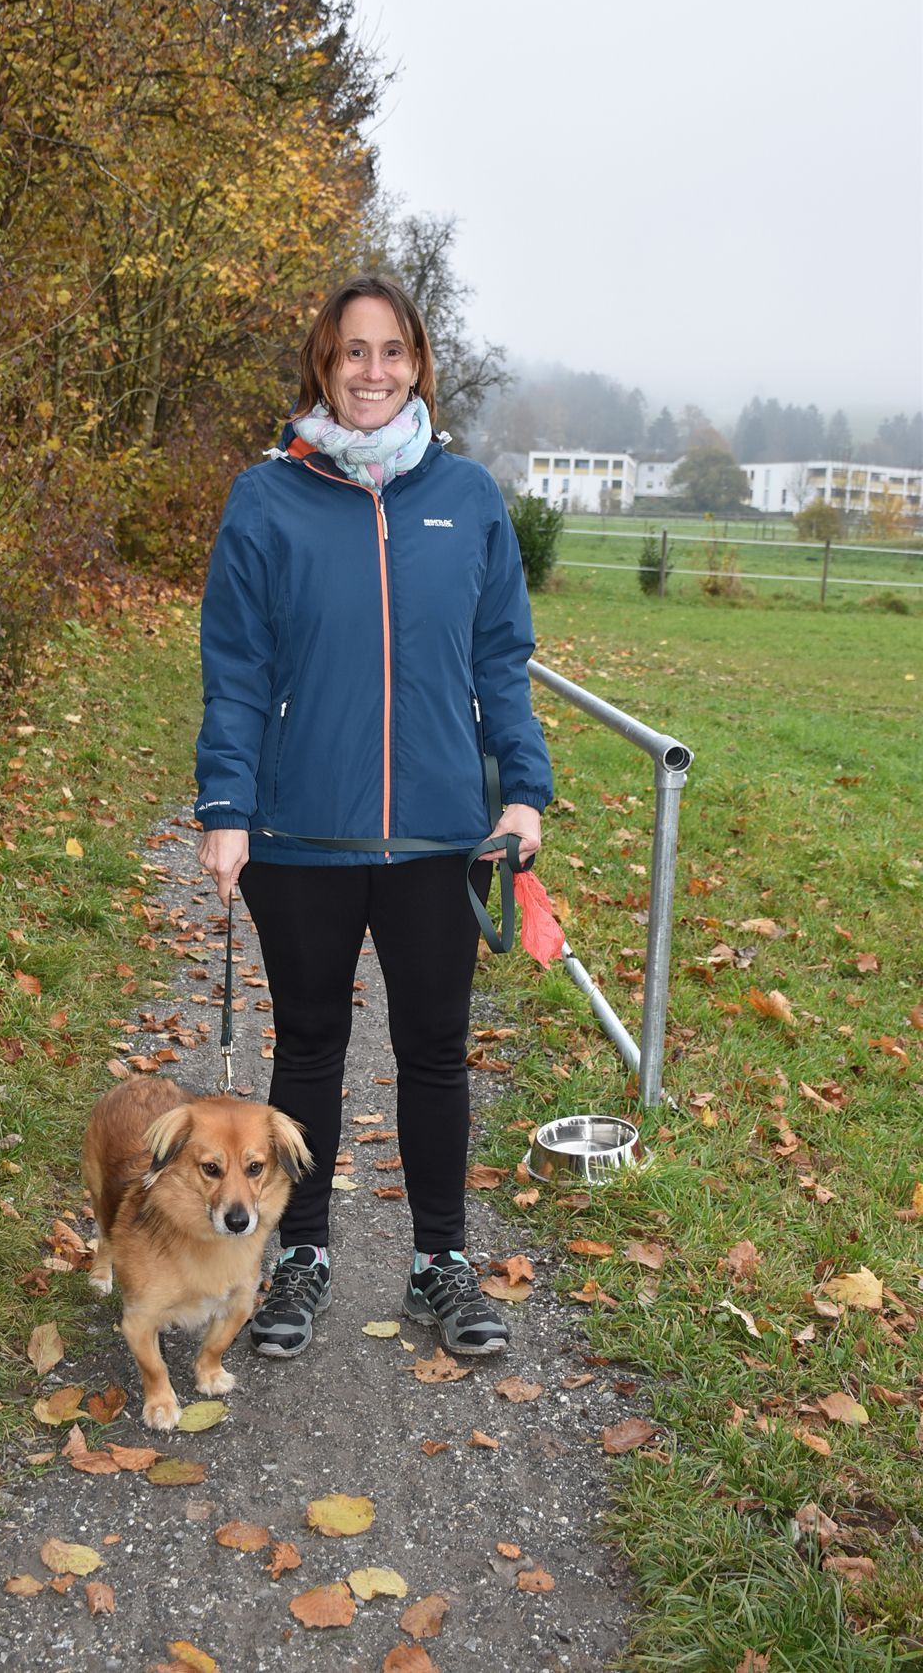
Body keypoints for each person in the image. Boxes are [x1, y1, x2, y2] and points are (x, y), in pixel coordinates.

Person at [195, 274, 552, 1361]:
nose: (371, 370)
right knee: (306, 1045)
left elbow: (500, 661)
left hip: (443, 836)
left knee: (435, 1050)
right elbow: (237, 669)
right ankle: (298, 1254)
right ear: (322, 363)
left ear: (417, 366)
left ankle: (439, 1260)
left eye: (390, 351)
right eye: (352, 351)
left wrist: (522, 788)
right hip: (303, 835)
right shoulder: (266, 499)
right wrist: (226, 806)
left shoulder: (468, 499)